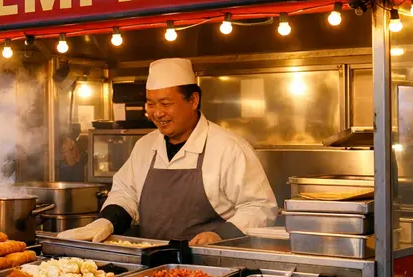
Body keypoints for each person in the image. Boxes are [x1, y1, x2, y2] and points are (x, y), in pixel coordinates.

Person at [58, 58, 277, 246]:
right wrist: (107, 221)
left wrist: (220, 235)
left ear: (193, 100)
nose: (158, 113)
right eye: (151, 104)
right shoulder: (145, 146)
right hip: (150, 270)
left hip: (210, 268)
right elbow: (126, 193)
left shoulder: (229, 148)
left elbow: (260, 207)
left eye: (166, 103)